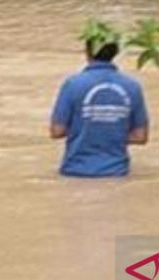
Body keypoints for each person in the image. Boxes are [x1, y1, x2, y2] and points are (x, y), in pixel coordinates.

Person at [49, 24, 150, 178]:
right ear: (115, 53)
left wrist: (87, 129)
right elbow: (141, 137)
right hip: (117, 172)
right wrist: (110, 130)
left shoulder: (72, 84)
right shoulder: (132, 87)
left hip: (75, 172)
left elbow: (57, 131)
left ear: (87, 52)